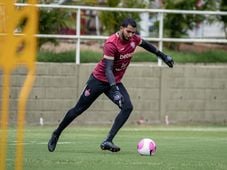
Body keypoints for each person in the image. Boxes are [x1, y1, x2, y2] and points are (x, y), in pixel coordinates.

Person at [48, 18, 174, 153]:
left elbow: (147, 45)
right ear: (121, 28)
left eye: (133, 32)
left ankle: (108, 140)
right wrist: (114, 90)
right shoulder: (111, 44)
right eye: (128, 31)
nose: (131, 35)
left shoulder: (134, 39)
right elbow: (108, 69)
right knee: (78, 109)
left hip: (115, 81)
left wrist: (163, 56)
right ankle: (56, 133)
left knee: (127, 107)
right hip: (98, 80)